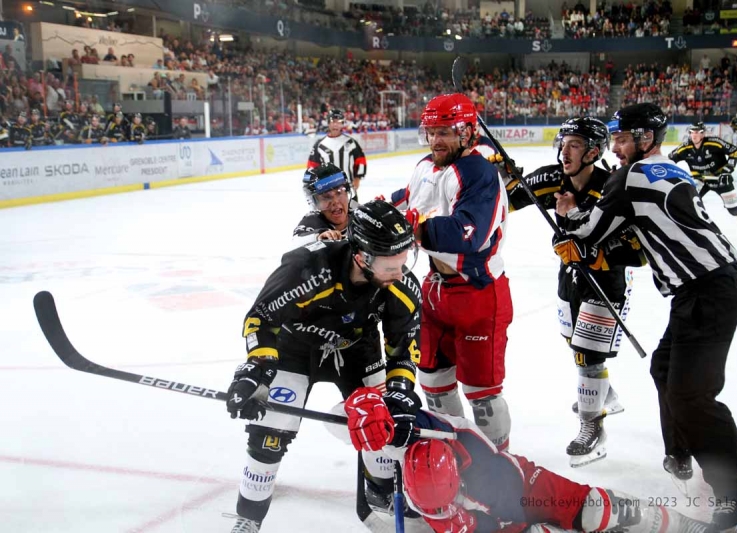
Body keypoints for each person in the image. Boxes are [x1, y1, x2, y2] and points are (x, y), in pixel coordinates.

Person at [554, 103, 737, 532]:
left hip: (707, 291)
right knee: (664, 367)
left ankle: (735, 499)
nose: (617, 147)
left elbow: (590, 230)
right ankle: (680, 452)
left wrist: (569, 212)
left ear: (646, 139)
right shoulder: (671, 169)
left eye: (624, 139)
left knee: (693, 396)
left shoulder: (628, 176)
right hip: (706, 287)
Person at [224, 200, 423, 533]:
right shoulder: (306, 268)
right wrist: (256, 369)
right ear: (362, 256)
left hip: (358, 350)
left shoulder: (400, 286)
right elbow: (261, 318)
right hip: (295, 349)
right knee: (271, 430)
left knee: (383, 422)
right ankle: (248, 518)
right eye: (392, 264)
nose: (400, 273)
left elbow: (402, 351)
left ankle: (382, 489)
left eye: (403, 261)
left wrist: (400, 394)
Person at [343, 386, 714, 533]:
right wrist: (369, 414)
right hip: (498, 525)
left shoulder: (459, 437)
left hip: (526, 487)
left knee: (597, 509)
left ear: (457, 473)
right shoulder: (423, 489)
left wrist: (384, 408)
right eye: (435, 509)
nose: (442, 510)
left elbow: (400, 404)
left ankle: (677, 524)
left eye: (444, 504)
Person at [505, 117, 645, 467]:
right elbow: (508, 200)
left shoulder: (613, 186)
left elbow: (636, 247)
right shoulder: (553, 177)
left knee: (587, 355)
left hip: (605, 277)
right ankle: (601, 394)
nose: (564, 151)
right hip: (570, 274)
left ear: (594, 152)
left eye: (575, 145)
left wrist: (574, 214)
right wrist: (506, 176)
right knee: (574, 343)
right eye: (563, 143)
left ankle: (592, 428)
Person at [388, 93, 513, 451]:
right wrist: (369, 215)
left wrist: (415, 228)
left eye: (445, 131)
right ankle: (456, 453)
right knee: (433, 381)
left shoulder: (480, 173)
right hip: (435, 290)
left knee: (482, 395)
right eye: (431, 131)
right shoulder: (426, 165)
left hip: (478, 292)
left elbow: (468, 232)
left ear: (468, 132)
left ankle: (498, 464)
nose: (436, 140)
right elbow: (406, 199)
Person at [668, 121, 737, 234]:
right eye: (692, 132)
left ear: (703, 134)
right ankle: (692, 230)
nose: (694, 135)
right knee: (688, 202)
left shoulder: (714, 143)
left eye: (697, 132)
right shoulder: (685, 147)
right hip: (700, 180)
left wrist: (727, 170)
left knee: (735, 210)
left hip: (720, 179)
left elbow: (734, 151)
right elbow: (669, 161)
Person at [307, 108, 367, 200]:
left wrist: (357, 178)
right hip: (327, 193)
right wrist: (314, 185)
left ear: (342, 124)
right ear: (328, 123)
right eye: (333, 121)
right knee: (331, 214)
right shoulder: (319, 145)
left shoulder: (350, 143)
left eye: (339, 122)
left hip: (349, 191)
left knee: (353, 213)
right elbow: (312, 167)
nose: (335, 124)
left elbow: (361, 161)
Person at [292, 163, 356, 246]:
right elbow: (296, 241)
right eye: (326, 197)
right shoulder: (312, 221)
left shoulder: (358, 212)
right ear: (314, 203)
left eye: (339, 192)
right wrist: (318, 236)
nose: (335, 201)